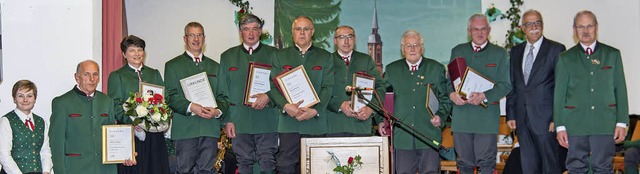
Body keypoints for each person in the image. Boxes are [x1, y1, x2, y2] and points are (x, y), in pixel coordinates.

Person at [554, 10, 629, 173]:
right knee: (576, 167)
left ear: (596, 28)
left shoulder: (612, 55)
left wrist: (622, 122)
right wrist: (560, 127)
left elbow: (620, 90)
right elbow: (559, 96)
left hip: (604, 123)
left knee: (603, 167)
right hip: (574, 125)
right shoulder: (566, 58)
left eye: (589, 26)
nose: (585, 30)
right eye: (581, 27)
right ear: (574, 30)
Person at [378, 30, 452, 174]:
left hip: (428, 135)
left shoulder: (436, 69)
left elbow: (445, 98)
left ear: (422, 48)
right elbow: (382, 99)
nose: (412, 49)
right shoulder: (392, 70)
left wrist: (441, 117)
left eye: (416, 45)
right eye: (408, 45)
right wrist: (381, 121)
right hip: (402, 137)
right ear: (402, 49)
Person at [270, 16, 334, 174]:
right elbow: (273, 86)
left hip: (315, 122)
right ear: (292, 33)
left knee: (316, 166)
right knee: (285, 166)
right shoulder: (280, 56)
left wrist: (315, 110)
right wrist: (286, 106)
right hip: (288, 122)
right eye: (298, 29)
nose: (302, 33)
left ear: (312, 32)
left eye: (306, 29)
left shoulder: (325, 57)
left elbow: (328, 87)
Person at [505, 9, 566, 174]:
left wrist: (557, 118)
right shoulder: (516, 51)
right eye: (529, 24)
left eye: (537, 22)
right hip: (522, 121)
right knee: (528, 167)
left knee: (550, 167)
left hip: (546, 122)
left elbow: (562, 87)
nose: (534, 27)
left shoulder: (556, 49)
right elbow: (513, 84)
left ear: (542, 25)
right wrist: (510, 113)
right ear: (522, 28)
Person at [448, 14, 511, 174]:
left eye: (483, 29)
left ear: (489, 30)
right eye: (475, 29)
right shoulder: (458, 51)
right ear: (469, 31)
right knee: (464, 164)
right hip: (462, 118)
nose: (480, 33)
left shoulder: (500, 53)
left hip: (486, 118)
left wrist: (484, 96)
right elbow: (448, 81)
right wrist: (452, 95)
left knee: (487, 164)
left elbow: (506, 85)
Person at [49, 60, 136, 174]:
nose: (92, 79)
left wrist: (125, 153)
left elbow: (112, 137)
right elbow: (56, 145)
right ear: (77, 77)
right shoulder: (62, 103)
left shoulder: (107, 101)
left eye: (95, 74)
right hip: (75, 169)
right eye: (86, 74)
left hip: (104, 169)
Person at [164, 22, 229, 174]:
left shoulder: (216, 67)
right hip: (186, 128)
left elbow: (223, 97)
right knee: (184, 170)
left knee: (207, 170)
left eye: (199, 35)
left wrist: (217, 111)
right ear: (184, 38)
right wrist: (191, 107)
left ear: (204, 38)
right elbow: (171, 96)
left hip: (209, 127)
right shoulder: (172, 66)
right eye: (192, 35)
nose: (196, 39)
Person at [218, 14, 279, 174]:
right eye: (246, 29)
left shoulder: (274, 54)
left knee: (267, 161)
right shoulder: (227, 56)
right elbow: (222, 91)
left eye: (254, 29)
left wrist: (268, 96)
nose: (250, 33)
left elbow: (281, 85)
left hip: (267, 118)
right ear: (240, 32)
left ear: (260, 31)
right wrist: (227, 121)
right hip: (239, 120)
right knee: (243, 162)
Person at [108, 35, 169, 174]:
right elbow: (115, 105)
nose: (137, 54)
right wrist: (134, 122)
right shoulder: (117, 76)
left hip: (155, 133)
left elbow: (164, 100)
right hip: (131, 133)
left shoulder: (154, 73)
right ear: (124, 54)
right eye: (132, 50)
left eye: (140, 49)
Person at [326, 25, 385, 137]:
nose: (346, 41)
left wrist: (371, 108)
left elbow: (380, 87)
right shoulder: (327, 61)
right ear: (335, 41)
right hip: (333, 125)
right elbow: (320, 89)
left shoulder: (365, 60)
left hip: (360, 125)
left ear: (355, 40)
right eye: (342, 37)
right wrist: (339, 104)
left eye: (350, 37)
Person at [0, 80, 52, 174]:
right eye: (20, 96)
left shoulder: (41, 122)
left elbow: (45, 151)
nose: (25, 100)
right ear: (14, 98)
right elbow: (4, 155)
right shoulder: (6, 121)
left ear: (35, 99)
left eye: (29, 96)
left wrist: (46, 171)